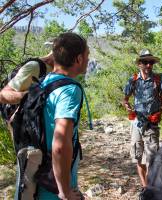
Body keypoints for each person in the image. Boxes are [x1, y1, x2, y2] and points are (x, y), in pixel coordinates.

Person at [36, 32, 89, 200]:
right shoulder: (69, 90)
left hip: (37, 174)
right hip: (54, 186)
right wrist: (65, 192)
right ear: (79, 59)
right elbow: (60, 144)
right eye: (87, 55)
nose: (88, 60)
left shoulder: (44, 82)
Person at [123, 49, 162, 187]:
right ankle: (145, 187)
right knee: (139, 157)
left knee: (152, 158)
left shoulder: (159, 79)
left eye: (151, 62)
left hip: (152, 124)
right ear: (140, 64)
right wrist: (127, 106)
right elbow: (125, 99)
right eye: (145, 62)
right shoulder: (133, 80)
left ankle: (150, 187)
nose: (148, 65)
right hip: (137, 122)